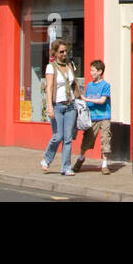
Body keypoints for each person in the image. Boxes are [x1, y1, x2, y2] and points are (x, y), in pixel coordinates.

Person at [40, 39, 79, 175]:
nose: (64, 54)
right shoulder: (51, 67)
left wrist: (81, 99)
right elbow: (49, 88)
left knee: (68, 138)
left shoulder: (70, 65)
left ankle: (66, 167)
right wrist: (50, 107)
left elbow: (74, 84)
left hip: (70, 105)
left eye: (65, 51)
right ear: (55, 53)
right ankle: (46, 159)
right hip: (57, 106)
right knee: (58, 136)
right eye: (61, 52)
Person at [74, 59, 112, 174]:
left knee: (105, 139)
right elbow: (86, 101)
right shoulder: (89, 85)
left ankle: (104, 165)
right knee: (87, 139)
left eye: (93, 71)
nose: (91, 73)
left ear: (100, 71)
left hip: (104, 116)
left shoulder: (105, 85)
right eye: (91, 71)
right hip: (92, 117)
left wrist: (86, 99)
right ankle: (80, 158)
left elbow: (102, 100)